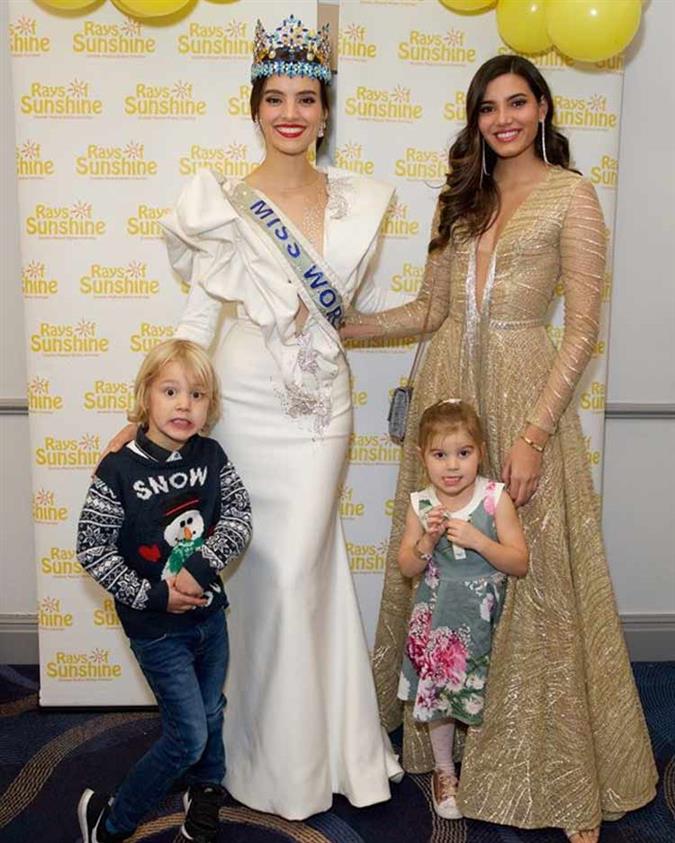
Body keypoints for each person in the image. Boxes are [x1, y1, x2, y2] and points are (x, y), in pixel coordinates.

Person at [342, 55, 657, 842]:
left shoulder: (571, 196)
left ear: (543, 106)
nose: (502, 118)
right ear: (475, 117)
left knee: (534, 575)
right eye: (487, 106)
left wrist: (532, 436)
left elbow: (580, 328)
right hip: (451, 403)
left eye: (517, 102)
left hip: (524, 402)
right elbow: (429, 308)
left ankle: (555, 771)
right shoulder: (462, 197)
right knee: (442, 571)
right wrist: (343, 325)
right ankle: (442, 748)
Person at [105, 14, 402, 820]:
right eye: (276, 98)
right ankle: (257, 756)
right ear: (255, 107)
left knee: (298, 566)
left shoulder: (363, 201)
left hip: (317, 414)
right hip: (241, 404)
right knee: (258, 577)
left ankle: (311, 757)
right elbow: (199, 319)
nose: (291, 113)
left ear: (326, 110)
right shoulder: (220, 204)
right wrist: (151, 413)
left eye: (307, 98)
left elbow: (354, 312)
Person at [76, 339, 252, 843]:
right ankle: (110, 821)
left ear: (209, 406)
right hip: (156, 631)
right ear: (146, 397)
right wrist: (156, 597)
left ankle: (206, 788)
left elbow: (239, 517)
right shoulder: (118, 470)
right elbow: (92, 549)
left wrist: (201, 566)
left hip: (209, 619)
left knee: (212, 709)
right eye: (170, 391)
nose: (183, 405)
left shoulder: (211, 456)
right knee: (187, 734)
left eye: (197, 395)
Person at [397, 399, 528, 819]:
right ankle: (443, 769)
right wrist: (427, 542)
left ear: (481, 452)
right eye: (440, 455)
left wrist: (478, 540)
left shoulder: (495, 498)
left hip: (485, 615)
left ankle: (487, 768)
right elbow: (406, 566)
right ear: (423, 457)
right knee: (441, 696)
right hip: (439, 616)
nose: (452, 466)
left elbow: (519, 562)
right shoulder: (420, 503)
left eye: (463, 453)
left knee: (485, 690)